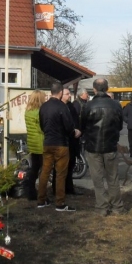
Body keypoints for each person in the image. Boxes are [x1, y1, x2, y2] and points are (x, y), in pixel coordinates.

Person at [80, 78, 125, 216]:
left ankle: (102, 207)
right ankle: (117, 207)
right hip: (110, 145)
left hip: (93, 146)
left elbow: (82, 126)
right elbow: (120, 126)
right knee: (113, 178)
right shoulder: (116, 105)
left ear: (94, 89)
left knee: (97, 179)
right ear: (107, 88)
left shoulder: (88, 106)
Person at [38, 82, 78, 212]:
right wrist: (73, 133)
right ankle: (60, 203)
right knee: (60, 174)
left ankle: (41, 200)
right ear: (60, 92)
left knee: (45, 172)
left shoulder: (43, 106)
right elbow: (68, 126)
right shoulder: (62, 107)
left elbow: (42, 125)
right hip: (61, 144)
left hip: (47, 142)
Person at [24, 90, 46, 201]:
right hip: (40, 142)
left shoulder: (28, 111)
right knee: (44, 169)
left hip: (32, 142)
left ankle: (31, 192)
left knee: (34, 168)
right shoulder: (39, 112)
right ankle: (42, 194)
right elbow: (41, 129)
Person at [61, 87, 81, 195]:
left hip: (74, 141)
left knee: (71, 165)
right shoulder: (59, 107)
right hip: (64, 141)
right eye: (67, 94)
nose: (69, 95)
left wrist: (79, 130)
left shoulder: (71, 106)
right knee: (62, 167)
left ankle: (69, 188)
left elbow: (76, 120)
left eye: (70, 93)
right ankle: (60, 189)